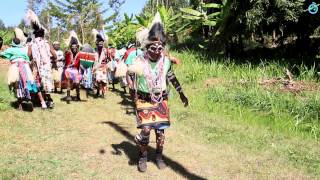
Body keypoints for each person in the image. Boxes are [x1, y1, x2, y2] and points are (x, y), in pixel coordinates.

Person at [127, 12, 189, 172]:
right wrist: (132, 91)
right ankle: (143, 157)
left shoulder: (166, 61)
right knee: (146, 130)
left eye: (160, 48)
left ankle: (159, 156)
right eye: (153, 47)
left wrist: (181, 93)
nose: (156, 51)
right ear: (147, 47)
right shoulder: (139, 60)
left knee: (160, 131)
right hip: (143, 98)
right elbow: (130, 74)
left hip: (161, 99)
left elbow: (171, 77)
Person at [0, 28, 45, 110]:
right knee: (26, 83)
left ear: (12, 43)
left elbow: (2, 54)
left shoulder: (11, 49)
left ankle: (20, 104)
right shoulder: (23, 49)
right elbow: (28, 56)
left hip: (16, 67)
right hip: (26, 67)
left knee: (17, 84)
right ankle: (29, 99)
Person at [26, 9, 57, 108]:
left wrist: (33, 58)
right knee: (46, 84)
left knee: (38, 84)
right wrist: (52, 59)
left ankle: (43, 102)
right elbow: (55, 55)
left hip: (36, 68)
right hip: (46, 67)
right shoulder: (46, 43)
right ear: (43, 34)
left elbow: (29, 55)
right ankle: (49, 100)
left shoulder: (32, 43)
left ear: (35, 34)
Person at [63, 31, 82, 104]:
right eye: (72, 47)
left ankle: (78, 96)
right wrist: (66, 54)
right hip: (69, 70)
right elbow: (66, 60)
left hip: (77, 70)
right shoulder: (68, 53)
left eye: (75, 47)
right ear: (71, 47)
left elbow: (78, 63)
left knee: (77, 84)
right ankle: (68, 96)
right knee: (68, 81)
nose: (74, 48)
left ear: (77, 47)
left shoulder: (79, 54)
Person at [92, 29, 109, 98]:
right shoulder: (94, 51)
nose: (100, 44)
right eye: (99, 42)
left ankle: (103, 93)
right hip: (96, 68)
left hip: (103, 67)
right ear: (96, 43)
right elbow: (93, 59)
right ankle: (98, 92)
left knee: (103, 81)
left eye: (101, 42)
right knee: (98, 81)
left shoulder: (105, 50)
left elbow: (108, 59)